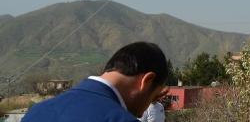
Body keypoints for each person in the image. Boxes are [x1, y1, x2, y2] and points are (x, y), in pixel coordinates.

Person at [23, 42, 168, 122]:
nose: (141, 113)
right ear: (147, 81)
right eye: (153, 97)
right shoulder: (121, 120)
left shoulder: (37, 112)